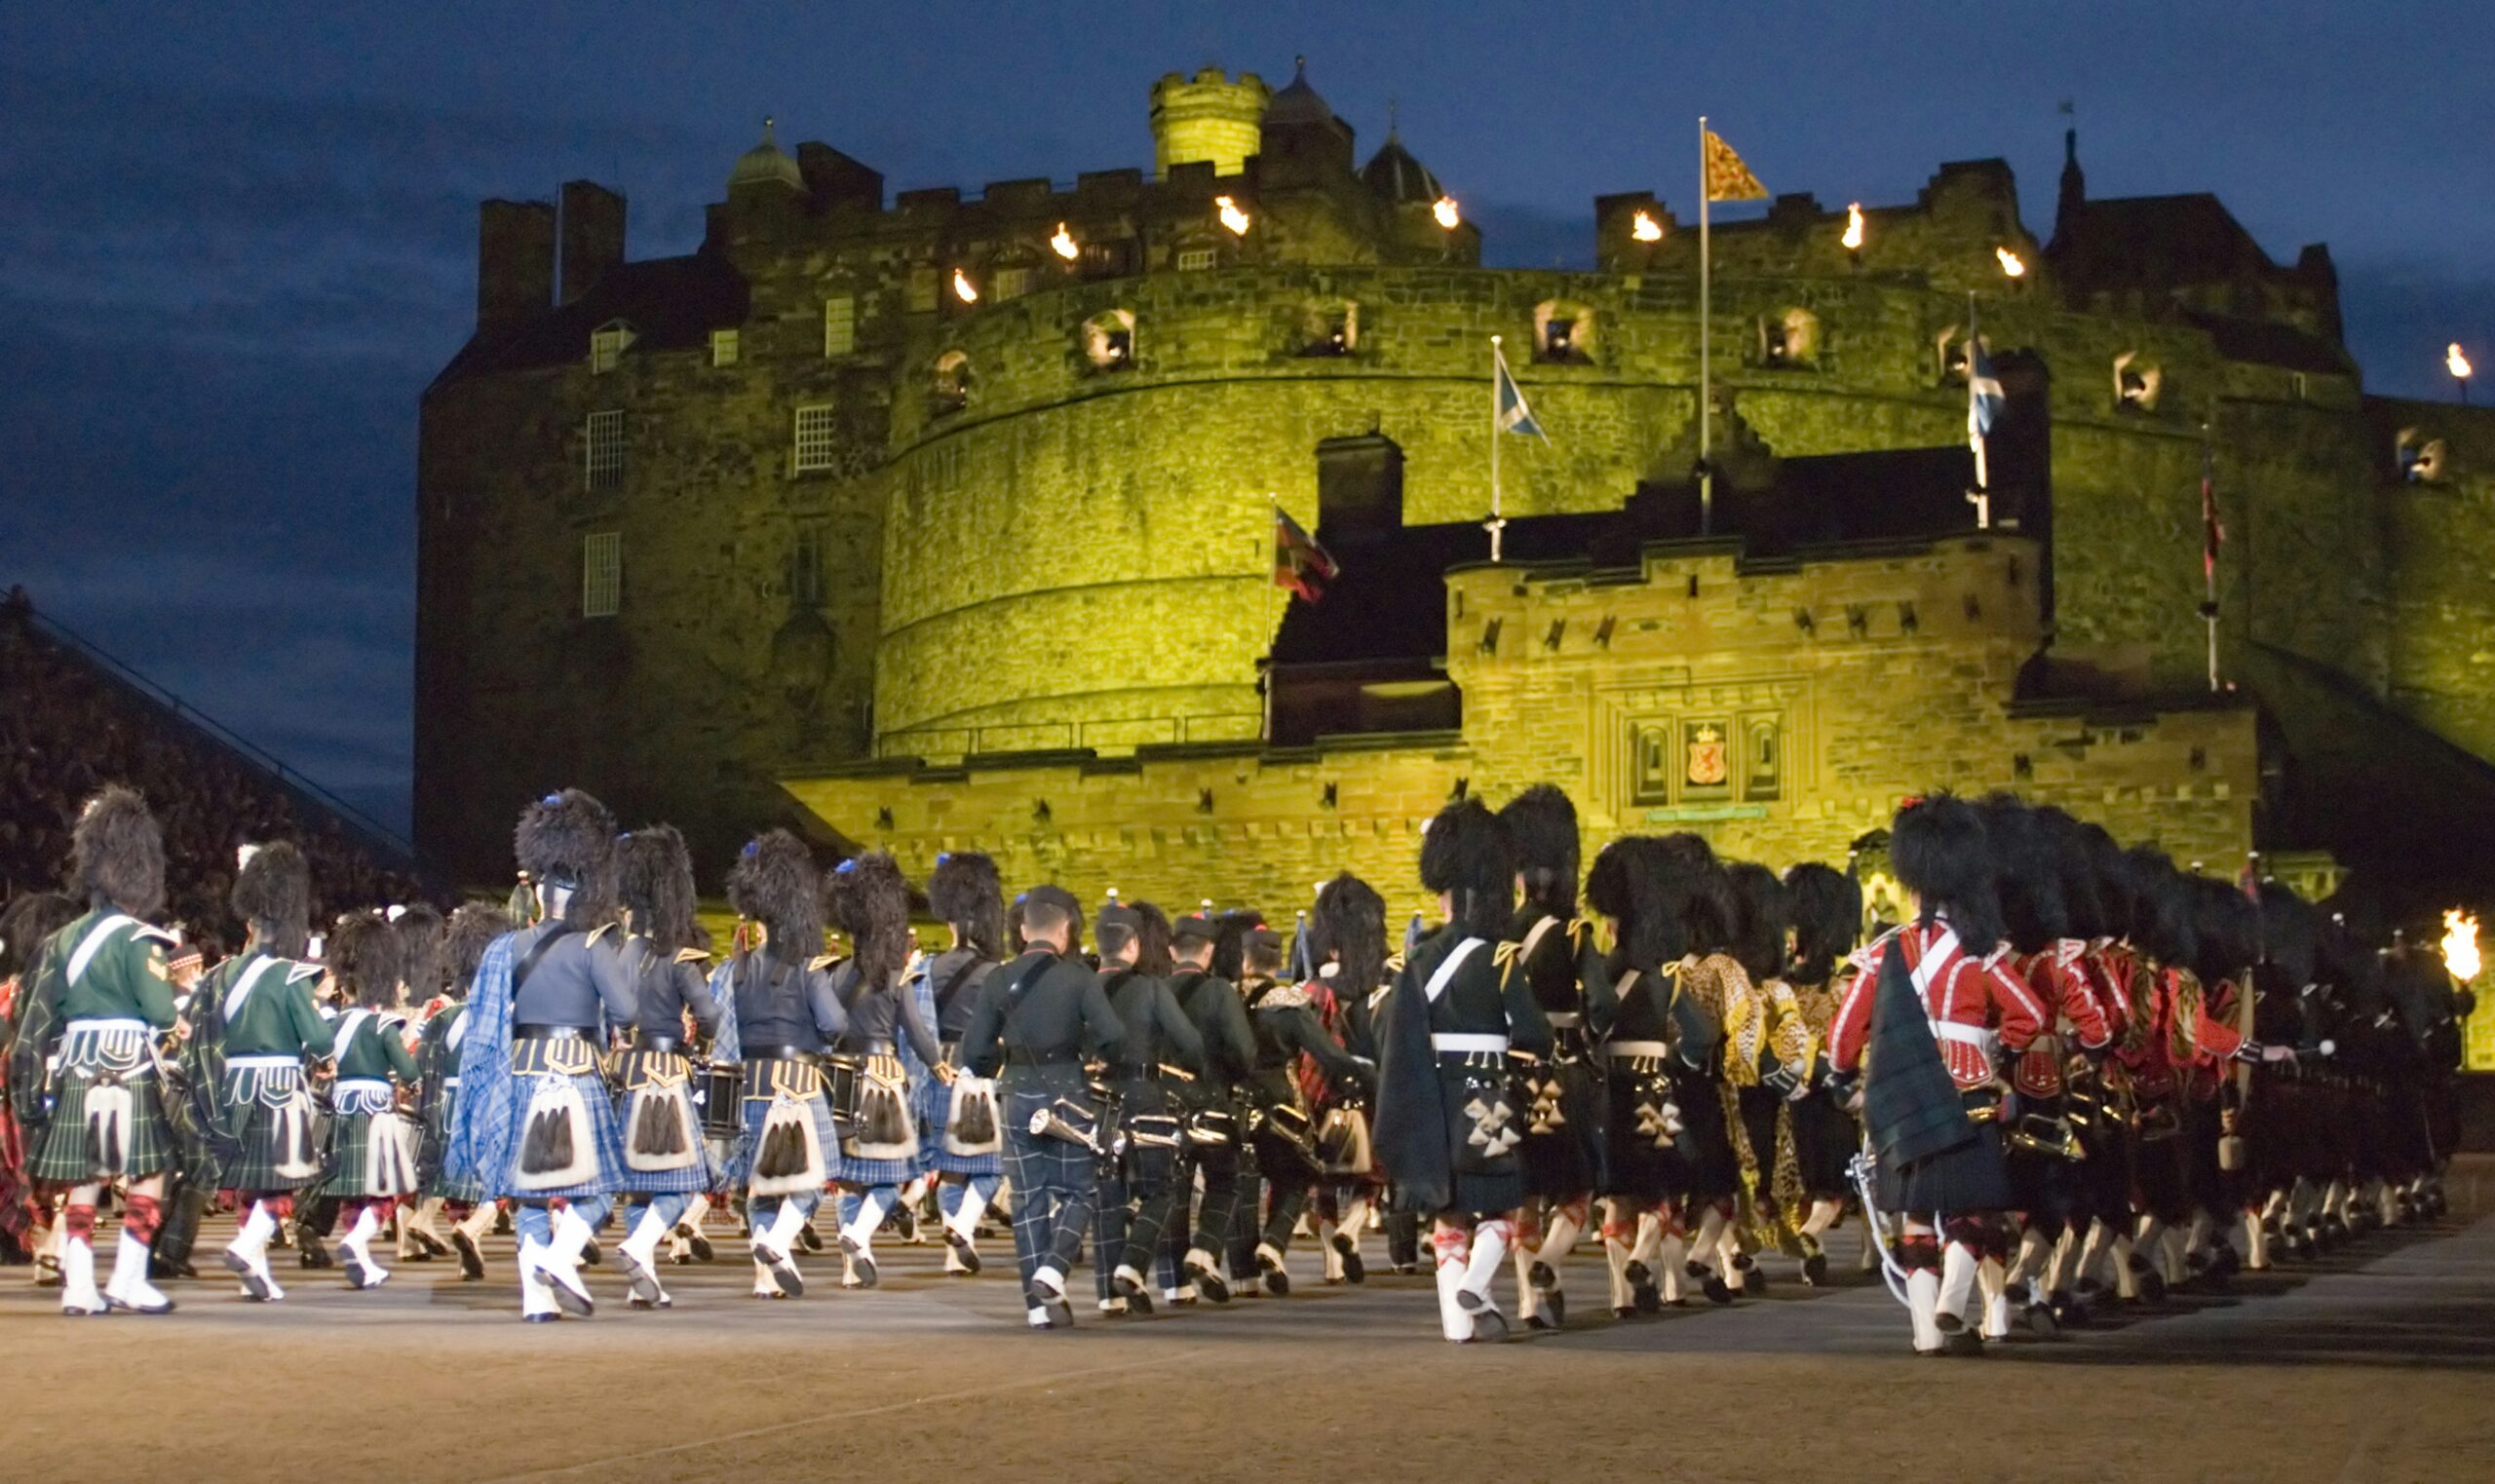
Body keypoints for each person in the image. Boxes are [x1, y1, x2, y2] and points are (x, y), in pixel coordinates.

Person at [1825, 793, 2048, 1355]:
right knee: (1972, 1205)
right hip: (1971, 1088)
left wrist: (1840, 1073)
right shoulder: (1983, 953)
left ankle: (1926, 1332)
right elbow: (2032, 1013)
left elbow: (1845, 1031)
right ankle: (1955, 1297)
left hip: (1900, 1091)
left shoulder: (1883, 952)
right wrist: (2001, 1052)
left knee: (1917, 1215)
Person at [444, 789, 641, 1321]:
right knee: (599, 1189)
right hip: (575, 1072)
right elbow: (625, 1010)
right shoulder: (591, 946)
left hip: (520, 1075)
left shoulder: (502, 948)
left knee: (529, 1197)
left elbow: (488, 1025)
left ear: (537, 898)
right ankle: (560, 1258)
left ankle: (536, 1300)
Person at [1372, 796, 1553, 1343]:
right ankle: (1477, 1282)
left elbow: (1383, 1028)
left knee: (1447, 1214)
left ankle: (1457, 1324)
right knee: (1502, 1200)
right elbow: (1534, 1031)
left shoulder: (1412, 960)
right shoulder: (1497, 956)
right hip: (1485, 1093)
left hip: (1431, 1097)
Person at [17, 785, 184, 1315]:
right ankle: (130, 1277)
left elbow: (41, 1014)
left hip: (76, 1065)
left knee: (85, 1179)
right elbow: (160, 1012)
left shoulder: (61, 941)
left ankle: (79, 1286)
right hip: (128, 1064)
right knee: (151, 1170)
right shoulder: (140, 939)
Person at [956, 884, 1125, 1329]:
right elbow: (1112, 1035)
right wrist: (1093, 1052)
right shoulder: (1080, 977)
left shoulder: (997, 979)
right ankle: (1054, 1269)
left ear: (1025, 929)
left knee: (1028, 1200)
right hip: (1068, 1094)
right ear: (1066, 931)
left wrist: (1001, 1061)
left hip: (1015, 1093)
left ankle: (1035, 1306)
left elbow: (973, 1052)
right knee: (1079, 1190)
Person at [1497, 784, 1616, 1329]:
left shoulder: (1499, 935)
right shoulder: (1572, 933)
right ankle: (1548, 1262)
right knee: (1576, 1188)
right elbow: (1603, 1001)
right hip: (1563, 1074)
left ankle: (1527, 1300)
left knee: (1525, 1192)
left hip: (1508, 1074)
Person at [712, 829, 847, 1300]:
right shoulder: (808, 966)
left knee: (761, 1187)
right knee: (808, 1183)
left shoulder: (732, 969)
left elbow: (719, 1028)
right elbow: (834, 1024)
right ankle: (777, 1242)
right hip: (798, 1082)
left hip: (751, 1084)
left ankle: (762, 1277)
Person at [197, 841, 332, 1301]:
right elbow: (318, 1038)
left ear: (250, 923)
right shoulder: (290, 976)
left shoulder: (220, 975)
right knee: (281, 1180)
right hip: (277, 1085)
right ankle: (246, 1242)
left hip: (232, 1086)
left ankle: (255, 1274)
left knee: (252, 1184)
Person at [608, 825, 721, 1309]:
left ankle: (643, 1281)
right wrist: (705, 1040)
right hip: (668, 1071)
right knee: (681, 1182)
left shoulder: (614, 954)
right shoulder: (678, 959)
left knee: (637, 1186)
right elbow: (710, 1014)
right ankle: (638, 1248)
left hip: (626, 1070)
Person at [826, 852, 945, 1289]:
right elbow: (915, 1031)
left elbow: (828, 1025)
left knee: (850, 1178)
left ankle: (849, 1265)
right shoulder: (896, 975)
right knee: (888, 1175)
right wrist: (936, 1066)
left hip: (844, 1076)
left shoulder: (837, 973)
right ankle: (858, 1235)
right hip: (881, 1076)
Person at [1235, 920, 1370, 1296]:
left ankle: (1244, 1274)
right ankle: (1273, 1244)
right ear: (1276, 961)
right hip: (1279, 1101)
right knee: (1296, 1175)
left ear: (1245, 959)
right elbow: (1327, 1053)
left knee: (1240, 1184)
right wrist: (1364, 1074)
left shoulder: (1226, 996)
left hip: (1233, 1098)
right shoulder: (1288, 1004)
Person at [1090, 900, 1205, 1314]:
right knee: (1162, 1189)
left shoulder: (1082, 986)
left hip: (1095, 1101)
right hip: (1144, 1096)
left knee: (1108, 1196)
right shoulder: (1151, 989)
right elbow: (1190, 1042)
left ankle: (1107, 1294)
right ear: (1134, 944)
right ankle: (1134, 1263)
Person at [320, 910, 421, 1289]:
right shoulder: (383, 1026)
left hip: (341, 1109)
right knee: (383, 1187)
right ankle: (358, 1240)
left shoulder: (332, 1024)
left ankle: (362, 1264)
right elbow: (407, 1071)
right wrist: (412, 1080)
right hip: (376, 1108)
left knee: (351, 1187)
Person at [918, 851, 1006, 1275]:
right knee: (991, 1167)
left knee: (950, 1170)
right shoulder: (996, 972)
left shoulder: (927, 967)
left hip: (939, 1072)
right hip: (980, 1073)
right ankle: (964, 1229)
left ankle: (954, 1254)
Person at [1163, 908, 1256, 1304]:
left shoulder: (1156, 990)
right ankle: (1204, 1249)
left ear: (1171, 950)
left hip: (1165, 1103)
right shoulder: (1220, 992)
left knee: (1175, 1190)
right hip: (1212, 1100)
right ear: (1210, 951)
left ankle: (1175, 1284)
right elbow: (1242, 1051)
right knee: (1225, 1180)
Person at [416, 901, 513, 1281]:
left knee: (452, 1179)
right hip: (487, 1100)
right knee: (495, 1179)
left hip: (446, 1105)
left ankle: (431, 1222)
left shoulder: (441, 1018)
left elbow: (428, 1068)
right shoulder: (502, 1014)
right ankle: (469, 1236)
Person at [1780, 860, 1863, 1285]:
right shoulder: (1845, 984)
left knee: (1809, 1182)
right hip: (1830, 1090)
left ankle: (1811, 1237)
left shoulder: (1783, 986)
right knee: (1835, 1184)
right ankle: (1812, 1234)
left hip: (1791, 1091)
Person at [0, 890, 78, 1275]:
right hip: (54, 1077)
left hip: (16, 1081)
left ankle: (45, 1242)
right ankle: (54, 1241)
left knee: (29, 1169)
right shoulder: (60, 988)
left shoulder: (11, 990)